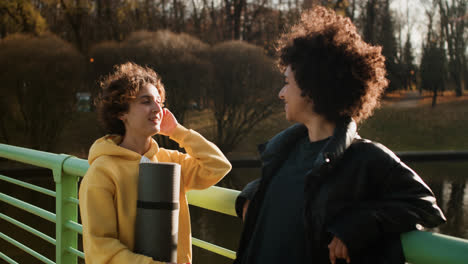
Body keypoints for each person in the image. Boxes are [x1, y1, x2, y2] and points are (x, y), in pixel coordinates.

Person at [234, 6, 446, 264]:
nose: (281, 93)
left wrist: (358, 225)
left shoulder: (367, 159)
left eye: (287, 82)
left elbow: (426, 207)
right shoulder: (283, 150)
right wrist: (253, 195)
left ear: (312, 88)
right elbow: (299, 193)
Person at [79, 62, 232, 264]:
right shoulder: (101, 173)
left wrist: (177, 131)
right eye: (146, 101)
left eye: (159, 102)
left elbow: (218, 166)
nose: (158, 108)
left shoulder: (170, 161)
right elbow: (100, 249)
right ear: (121, 112)